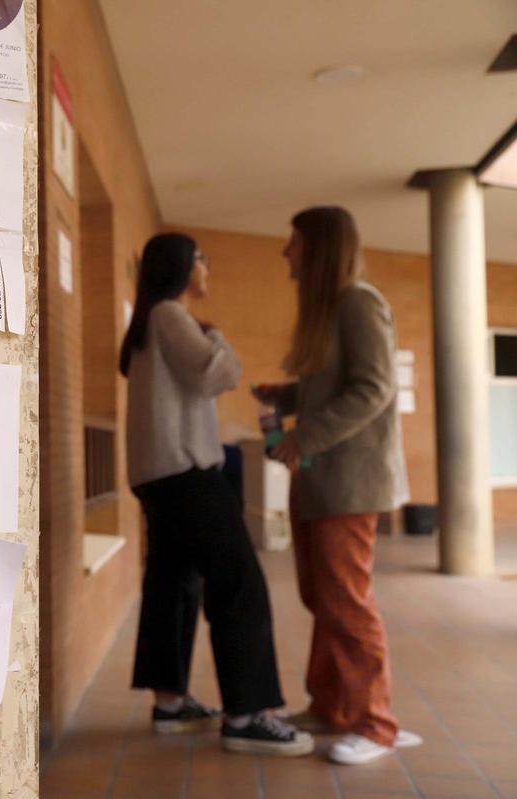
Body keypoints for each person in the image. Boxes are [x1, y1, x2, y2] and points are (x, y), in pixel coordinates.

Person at [121, 233, 312, 757]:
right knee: (240, 580)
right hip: (185, 472)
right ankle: (247, 715)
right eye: (202, 258)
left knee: (172, 583)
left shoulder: (149, 320)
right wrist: (220, 336)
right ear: (182, 265)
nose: (207, 267)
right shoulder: (170, 314)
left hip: (157, 475)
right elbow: (215, 372)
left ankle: (169, 703)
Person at [255, 206, 417, 765]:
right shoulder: (331, 310)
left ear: (321, 249)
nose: (286, 253)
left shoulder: (359, 303)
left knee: (347, 603)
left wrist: (305, 434)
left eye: (294, 243)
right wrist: (287, 396)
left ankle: (376, 724)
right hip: (321, 482)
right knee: (322, 597)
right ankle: (332, 707)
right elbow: (337, 385)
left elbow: (374, 388)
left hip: (349, 484)